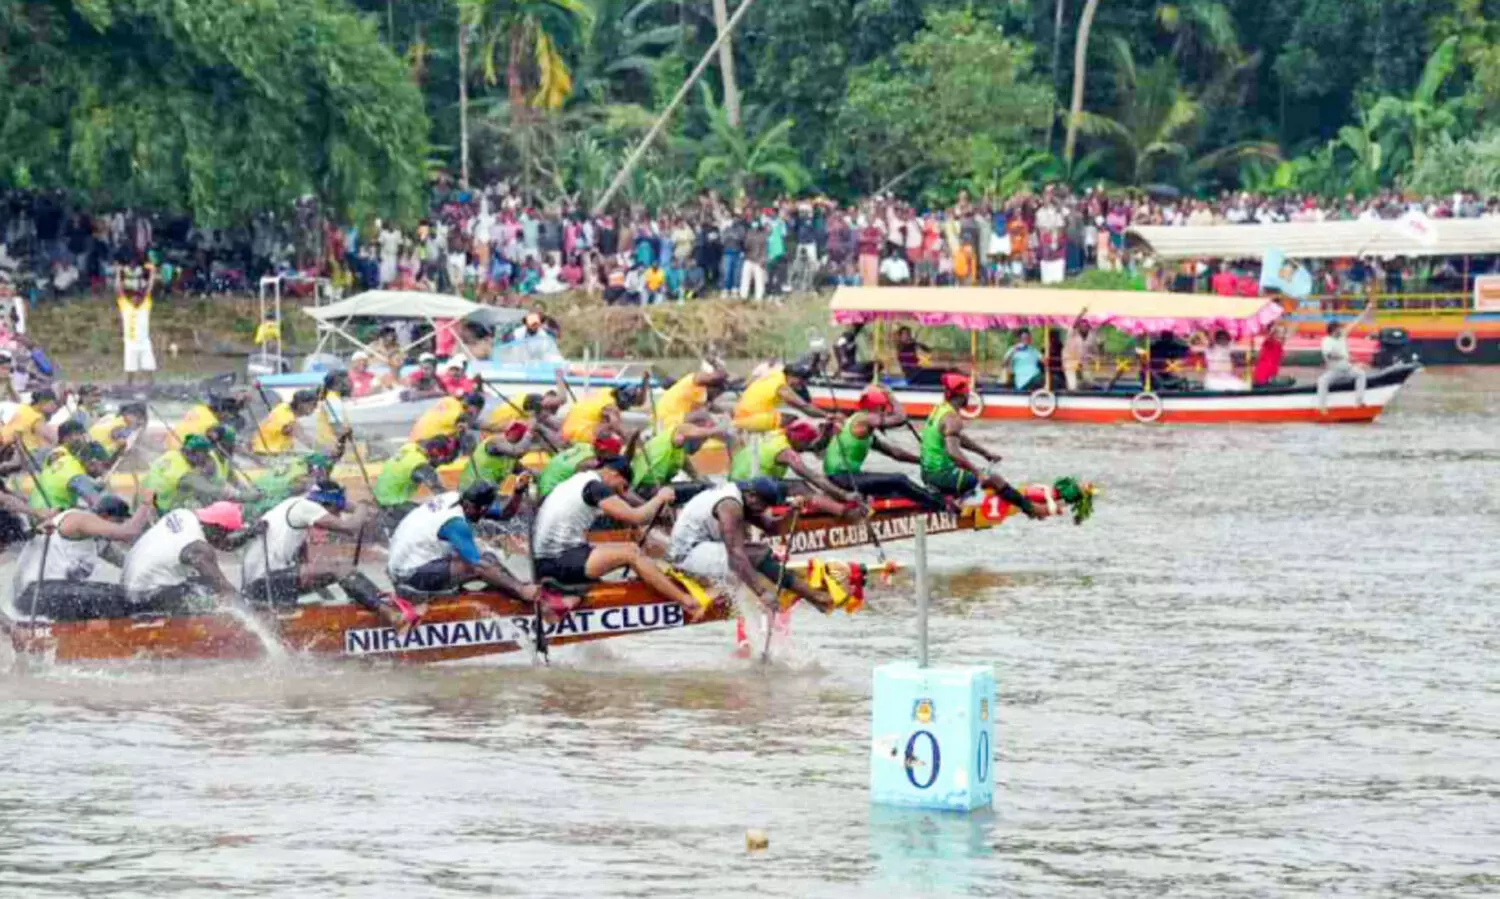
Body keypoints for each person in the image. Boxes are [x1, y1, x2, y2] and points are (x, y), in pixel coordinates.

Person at [531, 456, 700, 616]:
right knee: (631, 553)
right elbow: (637, 517)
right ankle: (685, 601)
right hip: (557, 561)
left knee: (627, 548)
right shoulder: (595, 487)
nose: (621, 493)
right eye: (623, 486)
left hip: (544, 561)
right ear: (613, 474)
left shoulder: (576, 480)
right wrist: (659, 498)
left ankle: (576, 596)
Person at [666, 477, 846, 613]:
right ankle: (814, 596)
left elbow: (772, 528)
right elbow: (736, 556)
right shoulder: (730, 506)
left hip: (703, 546)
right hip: (686, 555)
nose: (764, 510)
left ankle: (800, 589)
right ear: (752, 496)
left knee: (761, 552)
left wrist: (793, 512)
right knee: (755, 553)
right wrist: (762, 593)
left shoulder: (744, 496)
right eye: (763, 505)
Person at [387, 481, 549, 608]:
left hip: (405, 566)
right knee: (481, 563)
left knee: (485, 556)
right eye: (476, 510)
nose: (477, 513)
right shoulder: (456, 523)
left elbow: (505, 514)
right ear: (478, 507)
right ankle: (521, 592)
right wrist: (520, 589)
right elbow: (478, 565)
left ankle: (510, 589)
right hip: (408, 576)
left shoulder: (457, 497)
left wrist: (518, 493)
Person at [13, 495, 154, 621]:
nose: (118, 526)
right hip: (36, 593)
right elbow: (128, 532)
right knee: (118, 599)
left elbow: (127, 562)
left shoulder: (96, 540)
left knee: (132, 594)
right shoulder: (79, 520)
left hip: (47, 593)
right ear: (104, 516)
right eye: (118, 521)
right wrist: (146, 503)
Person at [920, 373, 1041, 518]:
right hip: (942, 476)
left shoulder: (939, 409)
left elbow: (958, 438)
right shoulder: (952, 418)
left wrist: (984, 453)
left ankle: (954, 496)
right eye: (968, 393)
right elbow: (953, 451)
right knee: (994, 478)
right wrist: (978, 473)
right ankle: (1031, 509)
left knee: (974, 473)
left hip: (927, 475)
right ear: (963, 395)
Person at [241, 481, 373, 607]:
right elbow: (351, 527)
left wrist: (329, 600)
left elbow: (308, 570)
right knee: (341, 569)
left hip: (258, 587)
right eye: (337, 511)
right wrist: (364, 503)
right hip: (263, 584)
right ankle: (383, 608)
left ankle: (363, 604)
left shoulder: (297, 507)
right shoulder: (306, 507)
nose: (337, 516)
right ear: (325, 504)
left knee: (325, 568)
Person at [121, 501, 260, 611]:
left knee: (201, 583)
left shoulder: (183, 514)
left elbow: (222, 543)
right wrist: (250, 610)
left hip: (129, 583)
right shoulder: (198, 549)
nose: (226, 538)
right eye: (227, 533)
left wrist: (249, 535)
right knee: (209, 599)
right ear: (218, 528)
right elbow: (223, 587)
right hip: (144, 594)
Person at [822, 387, 943, 508]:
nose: (885, 413)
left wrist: (923, 461)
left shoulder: (861, 429)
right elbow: (900, 418)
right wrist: (890, 395)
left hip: (848, 477)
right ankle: (941, 505)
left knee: (896, 488)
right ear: (877, 407)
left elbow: (895, 453)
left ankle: (922, 500)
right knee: (899, 479)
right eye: (883, 409)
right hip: (841, 478)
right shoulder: (863, 419)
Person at [728, 418, 864, 506]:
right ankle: (839, 509)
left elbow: (806, 426)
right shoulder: (786, 452)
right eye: (806, 445)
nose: (806, 449)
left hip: (733, 484)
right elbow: (813, 477)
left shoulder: (779, 433)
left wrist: (826, 426)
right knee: (800, 486)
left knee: (786, 485)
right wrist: (844, 494)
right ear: (799, 441)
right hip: (748, 487)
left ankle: (821, 501)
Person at [141, 434, 251, 512]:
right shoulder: (185, 474)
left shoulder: (172, 454)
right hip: (158, 509)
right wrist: (245, 496)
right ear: (193, 453)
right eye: (205, 454)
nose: (207, 457)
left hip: (143, 499)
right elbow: (211, 490)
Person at [631, 418, 734, 498]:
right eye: (702, 441)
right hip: (646, 488)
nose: (700, 446)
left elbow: (695, 475)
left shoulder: (680, 453)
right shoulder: (675, 435)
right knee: (704, 489)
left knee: (707, 487)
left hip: (659, 487)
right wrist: (718, 428)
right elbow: (689, 431)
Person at [372, 435, 459, 524]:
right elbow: (442, 494)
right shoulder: (420, 465)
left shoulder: (410, 448)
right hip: (392, 506)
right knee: (433, 520)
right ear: (435, 452)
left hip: (378, 500)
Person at [732, 361, 829, 432]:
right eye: (801, 380)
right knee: (792, 419)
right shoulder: (781, 386)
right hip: (751, 418)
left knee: (785, 415)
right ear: (791, 376)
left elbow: (797, 404)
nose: (802, 384)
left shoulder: (775, 376)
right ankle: (781, 444)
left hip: (741, 415)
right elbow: (804, 407)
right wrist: (828, 415)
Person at [1318, 302, 1375, 413]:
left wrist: (1367, 309)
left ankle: (1359, 401)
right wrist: (1343, 356)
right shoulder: (1326, 341)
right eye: (1337, 330)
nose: (1340, 331)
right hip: (1334, 371)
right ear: (1332, 331)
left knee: (1361, 374)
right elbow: (1329, 355)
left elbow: (1355, 322)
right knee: (1322, 381)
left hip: (1347, 369)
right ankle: (1322, 407)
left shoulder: (1342, 335)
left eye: (1340, 329)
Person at [31, 439, 110, 511]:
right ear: (93, 463)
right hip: (48, 513)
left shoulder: (66, 461)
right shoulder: (77, 475)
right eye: (104, 466)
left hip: (39, 508)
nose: (103, 471)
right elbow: (99, 505)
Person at [560, 378, 644, 444]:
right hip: (580, 437)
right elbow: (615, 425)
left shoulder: (606, 391)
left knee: (604, 421)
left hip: (565, 431)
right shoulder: (612, 407)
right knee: (610, 429)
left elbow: (639, 402)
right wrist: (628, 438)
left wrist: (645, 382)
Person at [654, 361, 730, 431]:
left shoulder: (697, 395)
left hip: (675, 420)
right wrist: (723, 372)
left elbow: (711, 407)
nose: (716, 396)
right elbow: (714, 377)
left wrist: (726, 413)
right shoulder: (690, 381)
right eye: (716, 393)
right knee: (703, 416)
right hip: (666, 420)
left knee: (707, 419)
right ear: (709, 387)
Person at [458, 420, 533, 490]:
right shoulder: (494, 443)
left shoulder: (510, 458)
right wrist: (529, 435)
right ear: (514, 434)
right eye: (523, 441)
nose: (528, 447)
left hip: (486, 493)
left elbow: (524, 471)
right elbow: (517, 452)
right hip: (469, 489)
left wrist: (530, 476)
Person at [117, 263, 156, 388]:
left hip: (144, 342)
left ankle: (150, 387)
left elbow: (149, 289)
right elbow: (119, 290)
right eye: (133, 297)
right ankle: (128, 386)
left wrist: (153, 274)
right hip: (130, 342)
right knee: (130, 368)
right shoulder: (126, 307)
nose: (135, 299)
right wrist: (118, 273)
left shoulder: (145, 307)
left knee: (149, 366)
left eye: (138, 297)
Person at [250, 389, 318, 455]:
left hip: (261, 449)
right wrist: (324, 450)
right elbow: (306, 439)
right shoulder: (288, 419)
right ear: (301, 404)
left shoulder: (284, 407)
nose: (315, 408)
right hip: (267, 453)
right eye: (313, 404)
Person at [410, 391, 486, 443]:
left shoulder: (448, 400)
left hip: (414, 440)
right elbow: (468, 422)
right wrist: (491, 427)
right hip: (425, 443)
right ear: (475, 409)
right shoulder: (459, 412)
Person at [1061, 308, 1096, 391]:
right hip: (1070, 363)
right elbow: (1073, 325)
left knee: (1089, 383)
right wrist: (1081, 314)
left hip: (1084, 364)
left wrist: (1093, 358)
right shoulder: (1072, 334)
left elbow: (1094, 351)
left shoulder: (1091, 337)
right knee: (1073, 386)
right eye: (1082, 326)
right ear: (1079, 327)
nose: (1084, 327)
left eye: (1086, 326)